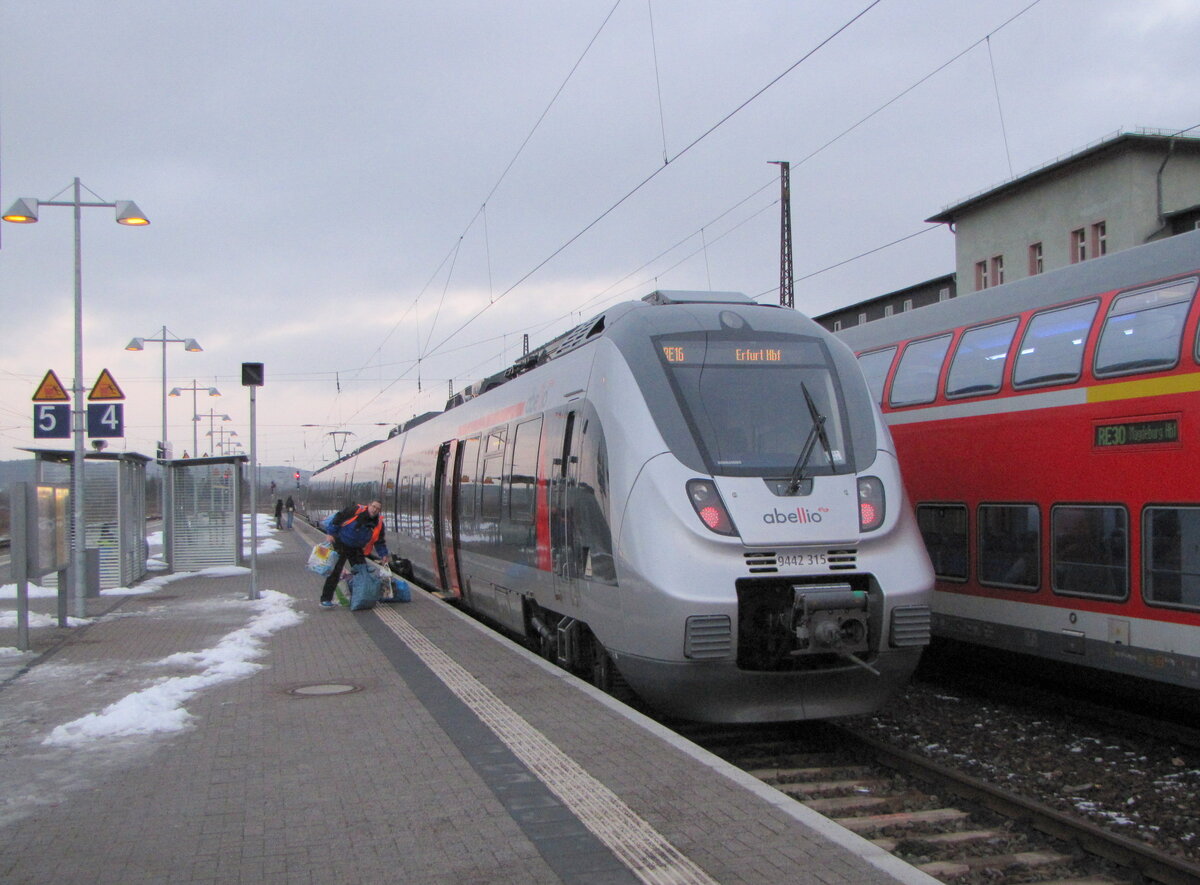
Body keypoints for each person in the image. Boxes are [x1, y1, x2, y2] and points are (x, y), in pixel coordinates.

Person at [319, 500, 390, 608]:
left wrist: (383, 554)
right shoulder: (356, 510)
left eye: (378, 509)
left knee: (362, 572)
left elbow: (379, 541)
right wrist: (330, 533)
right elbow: (338, 518)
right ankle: (325, 599)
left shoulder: (378, 523)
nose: (375, 510)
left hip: (356, 548)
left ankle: (363, 597)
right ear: (369, 505)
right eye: (374, 506)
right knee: (335, 571)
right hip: (341, 543)